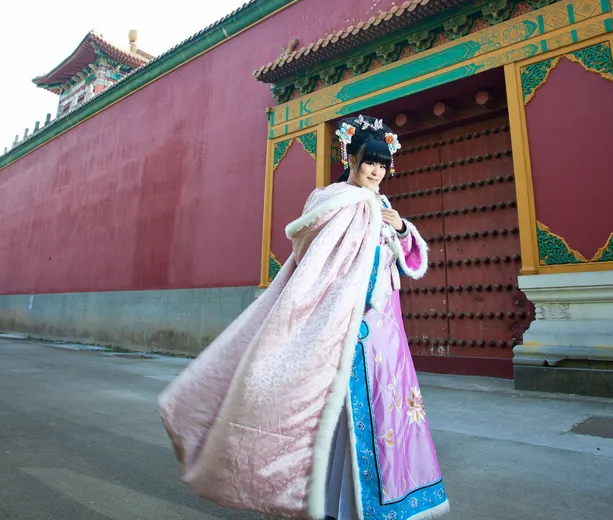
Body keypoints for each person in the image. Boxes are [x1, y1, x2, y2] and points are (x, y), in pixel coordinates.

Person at [158, 115, 450, 520]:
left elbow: (405, 261)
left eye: (383, 165)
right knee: (333, 411)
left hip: (384, 329)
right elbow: (319, 263)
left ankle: (377, 502)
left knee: (385, 410)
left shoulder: (383, 207)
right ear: (352, 159)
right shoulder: (334, 201)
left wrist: (401, 229)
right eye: (370, 161)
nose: (376, 171)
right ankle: (330, 500)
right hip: (342, 324)